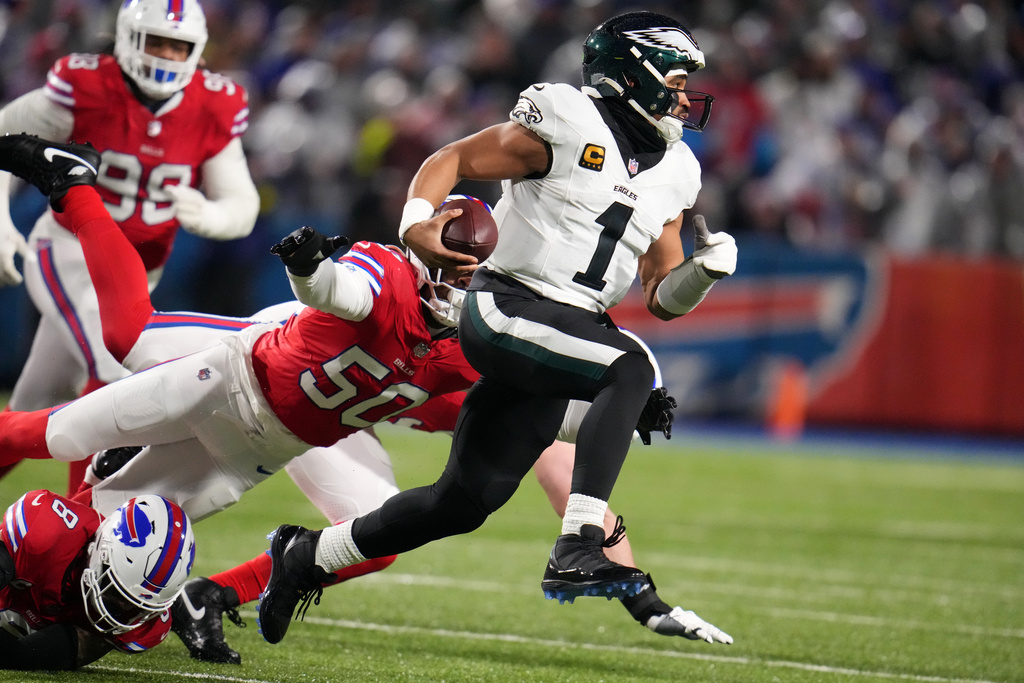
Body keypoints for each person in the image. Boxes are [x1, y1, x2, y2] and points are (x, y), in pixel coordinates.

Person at [0, 132, 727, 662]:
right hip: (264, 360)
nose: (463, 285)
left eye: (480, 277)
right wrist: (311, 269)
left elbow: (555, 448)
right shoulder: (387, 279)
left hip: (310, 428)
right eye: (457, 265)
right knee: (122, 343)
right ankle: (75, 184)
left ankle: (210, 592)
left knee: (369, 537)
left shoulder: (480, 353)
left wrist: (621, 427)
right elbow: (338, 289)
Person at [257, 10, 736, 647]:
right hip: (508, 304)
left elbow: (663, 297)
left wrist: (702, 274)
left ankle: (304, 558)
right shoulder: (567, 118)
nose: (684, 96)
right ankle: (579, 541)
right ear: (633, 76)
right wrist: (417, 221)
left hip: (567, 328)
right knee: (630, 368)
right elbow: (453, 157)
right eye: (674, 80)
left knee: (461, 502)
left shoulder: (677, 169)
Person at [0, 0, 259, 494]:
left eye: (177, 45)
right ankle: (87, 523)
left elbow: (240, 202)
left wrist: (212, 215)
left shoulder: (214, 102)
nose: (165, 54)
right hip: (67, 246)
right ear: (126, 39)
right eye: (155, 41)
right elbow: (4, 137)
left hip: (138, 272)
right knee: (113, 367)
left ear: (197, 50)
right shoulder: (86, 84)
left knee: (35, 405)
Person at [0, 491, 195, 670]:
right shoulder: (47, 533)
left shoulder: (147, 625)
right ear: (99, 552)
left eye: (138, 607)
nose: (122, 608)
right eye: (116, 592)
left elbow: (23, 656)